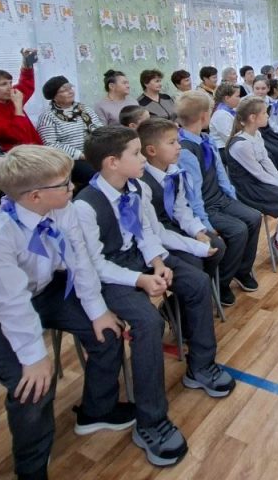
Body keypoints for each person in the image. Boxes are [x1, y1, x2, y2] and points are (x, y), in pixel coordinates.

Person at [0, 146, 133, 479]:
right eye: (64, 184)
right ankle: (32, 468)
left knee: (107, 332)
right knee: (32, 386)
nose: (72, 187)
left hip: (45, 291)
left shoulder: (62, 208)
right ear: (36, 195)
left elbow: (80, 262)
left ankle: (96, 410)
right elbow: (11, 303)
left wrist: (97, 311)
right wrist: (33, 357)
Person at [73, 127, 233, 466]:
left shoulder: (137, 187)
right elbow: (95, 265)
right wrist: (141, 279)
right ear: (112, 162)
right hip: (111, 274)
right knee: (148, 323)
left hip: (141, 260)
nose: (143, 158)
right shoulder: (85, 206)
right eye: (136, 153)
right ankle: (151, 420)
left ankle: (201, 366)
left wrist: (158, 262)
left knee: (196, 282)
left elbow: (146, 232)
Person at [176, 91, 262, 308]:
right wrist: (204, 224)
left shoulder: (205, 139)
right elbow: (193, 194)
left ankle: (242, 270)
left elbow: (220, 172)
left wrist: (232, 198)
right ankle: (221, 281)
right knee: (238, 230)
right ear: (204, 116)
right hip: (205, 207)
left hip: (221, 199)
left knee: (253, 217)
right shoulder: (185, 150)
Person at [136, 119, 224, 280]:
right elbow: (155, 231)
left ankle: (207, 286)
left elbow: (181, 208)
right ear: (151, 150)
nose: (179, 146)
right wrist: (194, 246)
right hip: (156, 235)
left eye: (178, 141)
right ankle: (197, 288)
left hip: (176, 226)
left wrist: (197, 231)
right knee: (193, 262)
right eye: (172, 143)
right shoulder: (141, 183)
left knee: (217, 245)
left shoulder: (175, 172)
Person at [225, 98, 278, 267]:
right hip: (247, 188)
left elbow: (266, 161)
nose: (268, 116)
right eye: (265, 113)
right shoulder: (240, 145)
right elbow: (258, 172)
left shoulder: (256, 134)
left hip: (258, 182)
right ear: (253, 117)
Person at [35, 77, 103, 185]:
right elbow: (51, 145)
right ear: (54, 97)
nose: (70, 91)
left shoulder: (85, 109)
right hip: (70, 160)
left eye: (70, 88)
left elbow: (100, 130)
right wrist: (81, 155)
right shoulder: (47, 116)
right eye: (64, 90)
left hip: (94, 153)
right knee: (96, 174)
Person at [252, 77, 278, 170]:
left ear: (268, 88)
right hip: (259, 133)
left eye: (263, 88)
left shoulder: (272, 102)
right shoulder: (249, 103)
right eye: (257, 88)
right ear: (253, 88)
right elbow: (270, 122)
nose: (260, 91)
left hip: (270, 131)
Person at [209, 83, 241, 152]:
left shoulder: (230, 111)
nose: (239, 99)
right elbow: (229, 138)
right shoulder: (221, 114)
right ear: (227, 98)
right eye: (237, 96)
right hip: (222, 150)